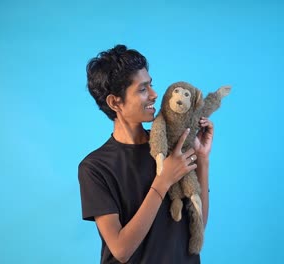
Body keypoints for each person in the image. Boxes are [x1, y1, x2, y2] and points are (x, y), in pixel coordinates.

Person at [78, 44, 214, 263]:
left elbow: (197, 226)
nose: (154, 94)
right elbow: (121, 250)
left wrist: (203, 159)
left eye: (151, 85)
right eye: (142, 89)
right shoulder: (95, 168)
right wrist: (163, 181)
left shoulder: (171, 147)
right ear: (115, 102)